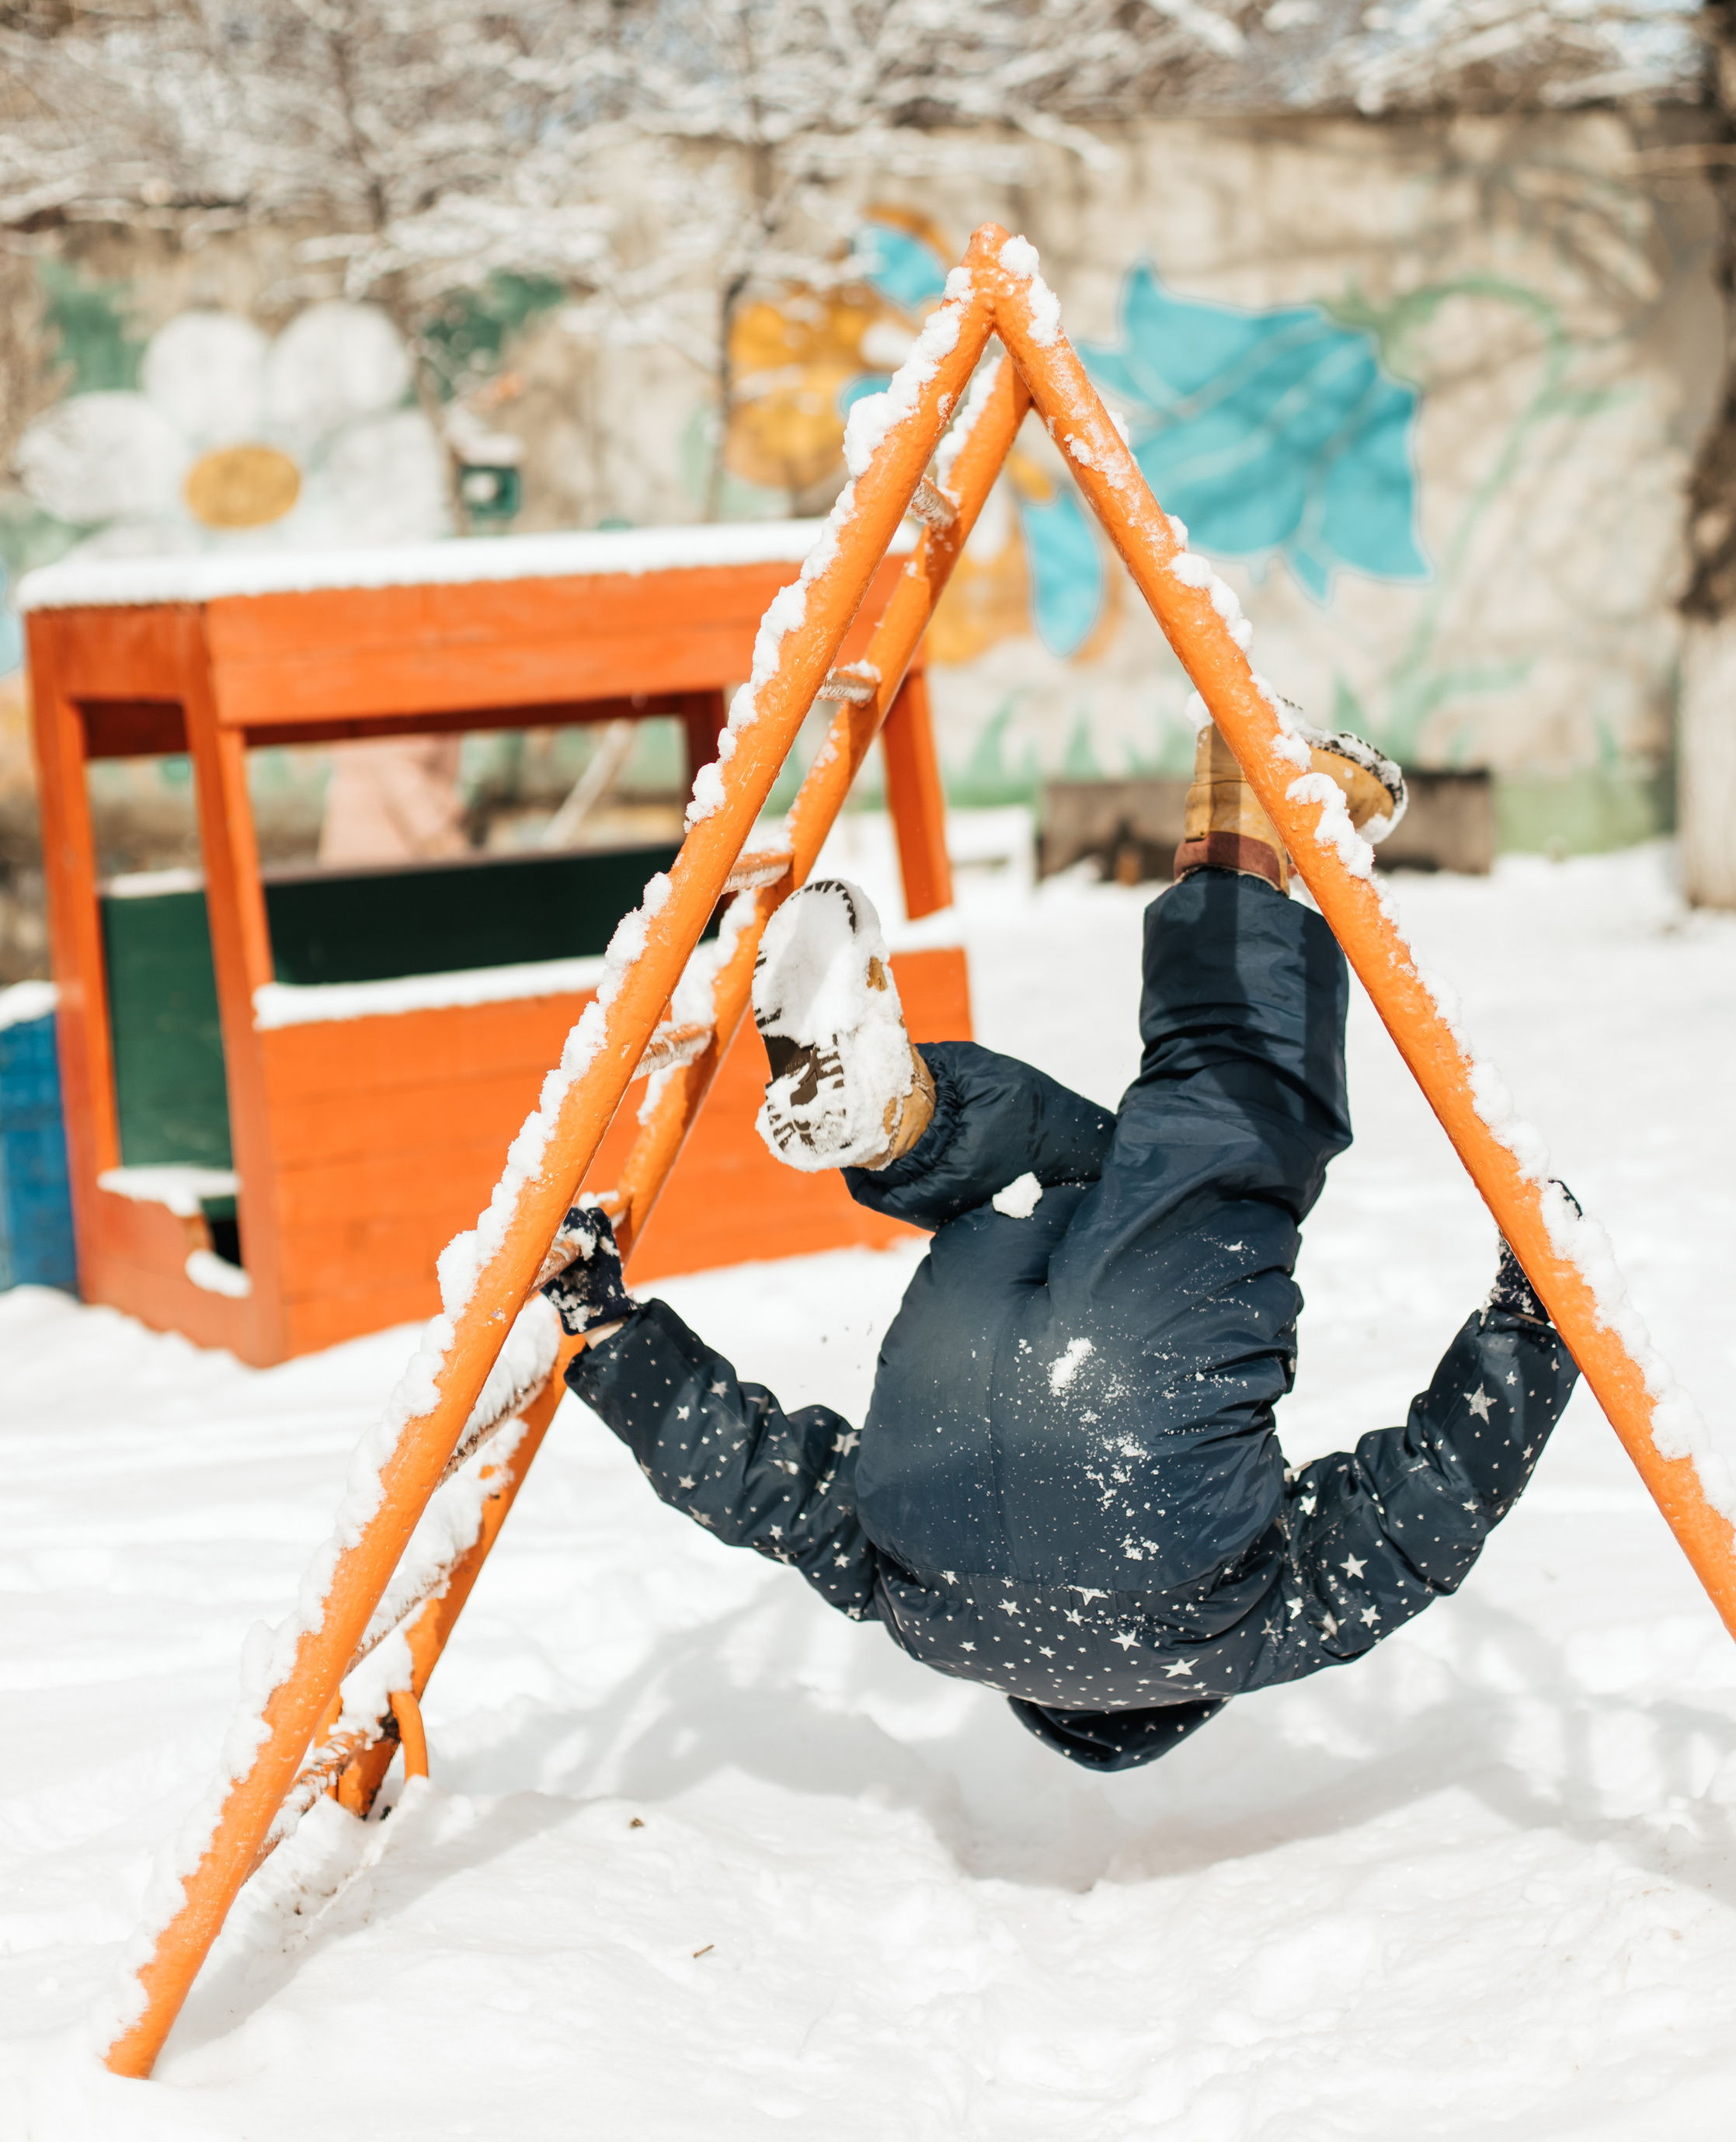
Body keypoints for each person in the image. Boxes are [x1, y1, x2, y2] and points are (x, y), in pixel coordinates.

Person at [541, 714, 1578, 1772]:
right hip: (956, 1372)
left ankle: (1247, 825)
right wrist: (606, 1330)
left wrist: (1534, 1325)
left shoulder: (1253, 1632)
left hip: (1142, 1412)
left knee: (1233, 1109)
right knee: (1082, 1170)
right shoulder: (919, 1618)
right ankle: (905, 1122)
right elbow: (755, 1481)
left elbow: (1431, 1507)